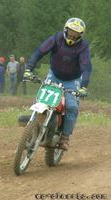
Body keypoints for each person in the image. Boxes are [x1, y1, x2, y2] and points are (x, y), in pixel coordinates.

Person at [24, 18, 92, 151]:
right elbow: (40, 52)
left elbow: (86, 66)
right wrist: (28, 69)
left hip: (72, 80)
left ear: (81, 35)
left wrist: (84, 86)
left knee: (72, 106)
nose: (72, 36)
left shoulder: (83, 46)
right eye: (71, 32)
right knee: (40, 99)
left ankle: (65, 137)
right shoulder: (56, 38)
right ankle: (34, 125)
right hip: (54, 75)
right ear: (66, 30)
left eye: (76, 34)